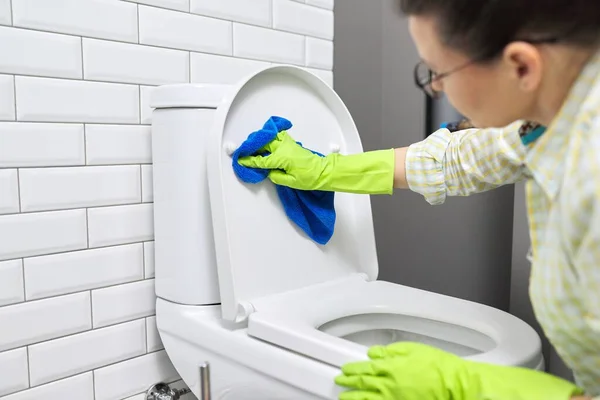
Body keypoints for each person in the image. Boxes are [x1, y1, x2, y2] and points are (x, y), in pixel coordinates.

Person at [239, 0, 600, 399]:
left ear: (521, 67)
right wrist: (325, 170)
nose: (437, 87)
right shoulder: (552, 121)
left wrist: (472, 389)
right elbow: (457, 159)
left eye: (438, 71)